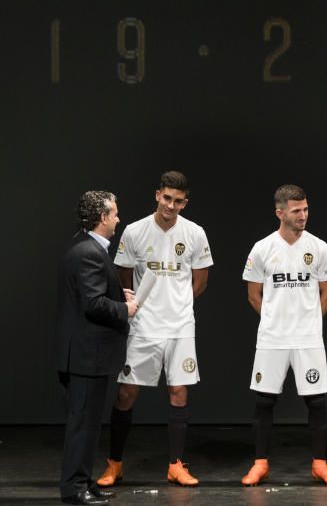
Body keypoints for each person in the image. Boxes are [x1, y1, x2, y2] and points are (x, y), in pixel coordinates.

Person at [96, 172, 213, 488]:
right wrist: (138, 308)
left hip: (180, 326)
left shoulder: (195, 233)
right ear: (157, 195)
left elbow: (200, 280)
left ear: (184, 202)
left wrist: (177, 306)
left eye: (178, 201)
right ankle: (114, 464)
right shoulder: (134, 231)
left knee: (178, 391)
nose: (171, 206)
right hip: (144, 325)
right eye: (166, 198)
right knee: (126, 392)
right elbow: (124, 276)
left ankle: (176, 465)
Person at [238, 184, 327, 487]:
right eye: (297, 211)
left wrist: (308, 323)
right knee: (264, 400)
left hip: (308, 339)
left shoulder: (318, 247)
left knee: (317, 401)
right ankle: (260, 463)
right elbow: (253, 295)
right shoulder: (262, 248)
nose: (303, 215)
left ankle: (320, 464)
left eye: (306, 209)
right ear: (280, 212)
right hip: (272, 338)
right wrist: (275, 320)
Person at [56, 191, 137, 505]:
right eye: (114, 214)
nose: (118, 219)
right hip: (87, 357)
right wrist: (124, 309)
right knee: (83, 425)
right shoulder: (90, 252)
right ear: (103, 218)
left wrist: (119, 297)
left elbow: (90, 296)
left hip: (87, 356)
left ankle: (84, 482)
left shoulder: (86, 248)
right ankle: (75, 488)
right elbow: (92, 304)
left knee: (88, 425)